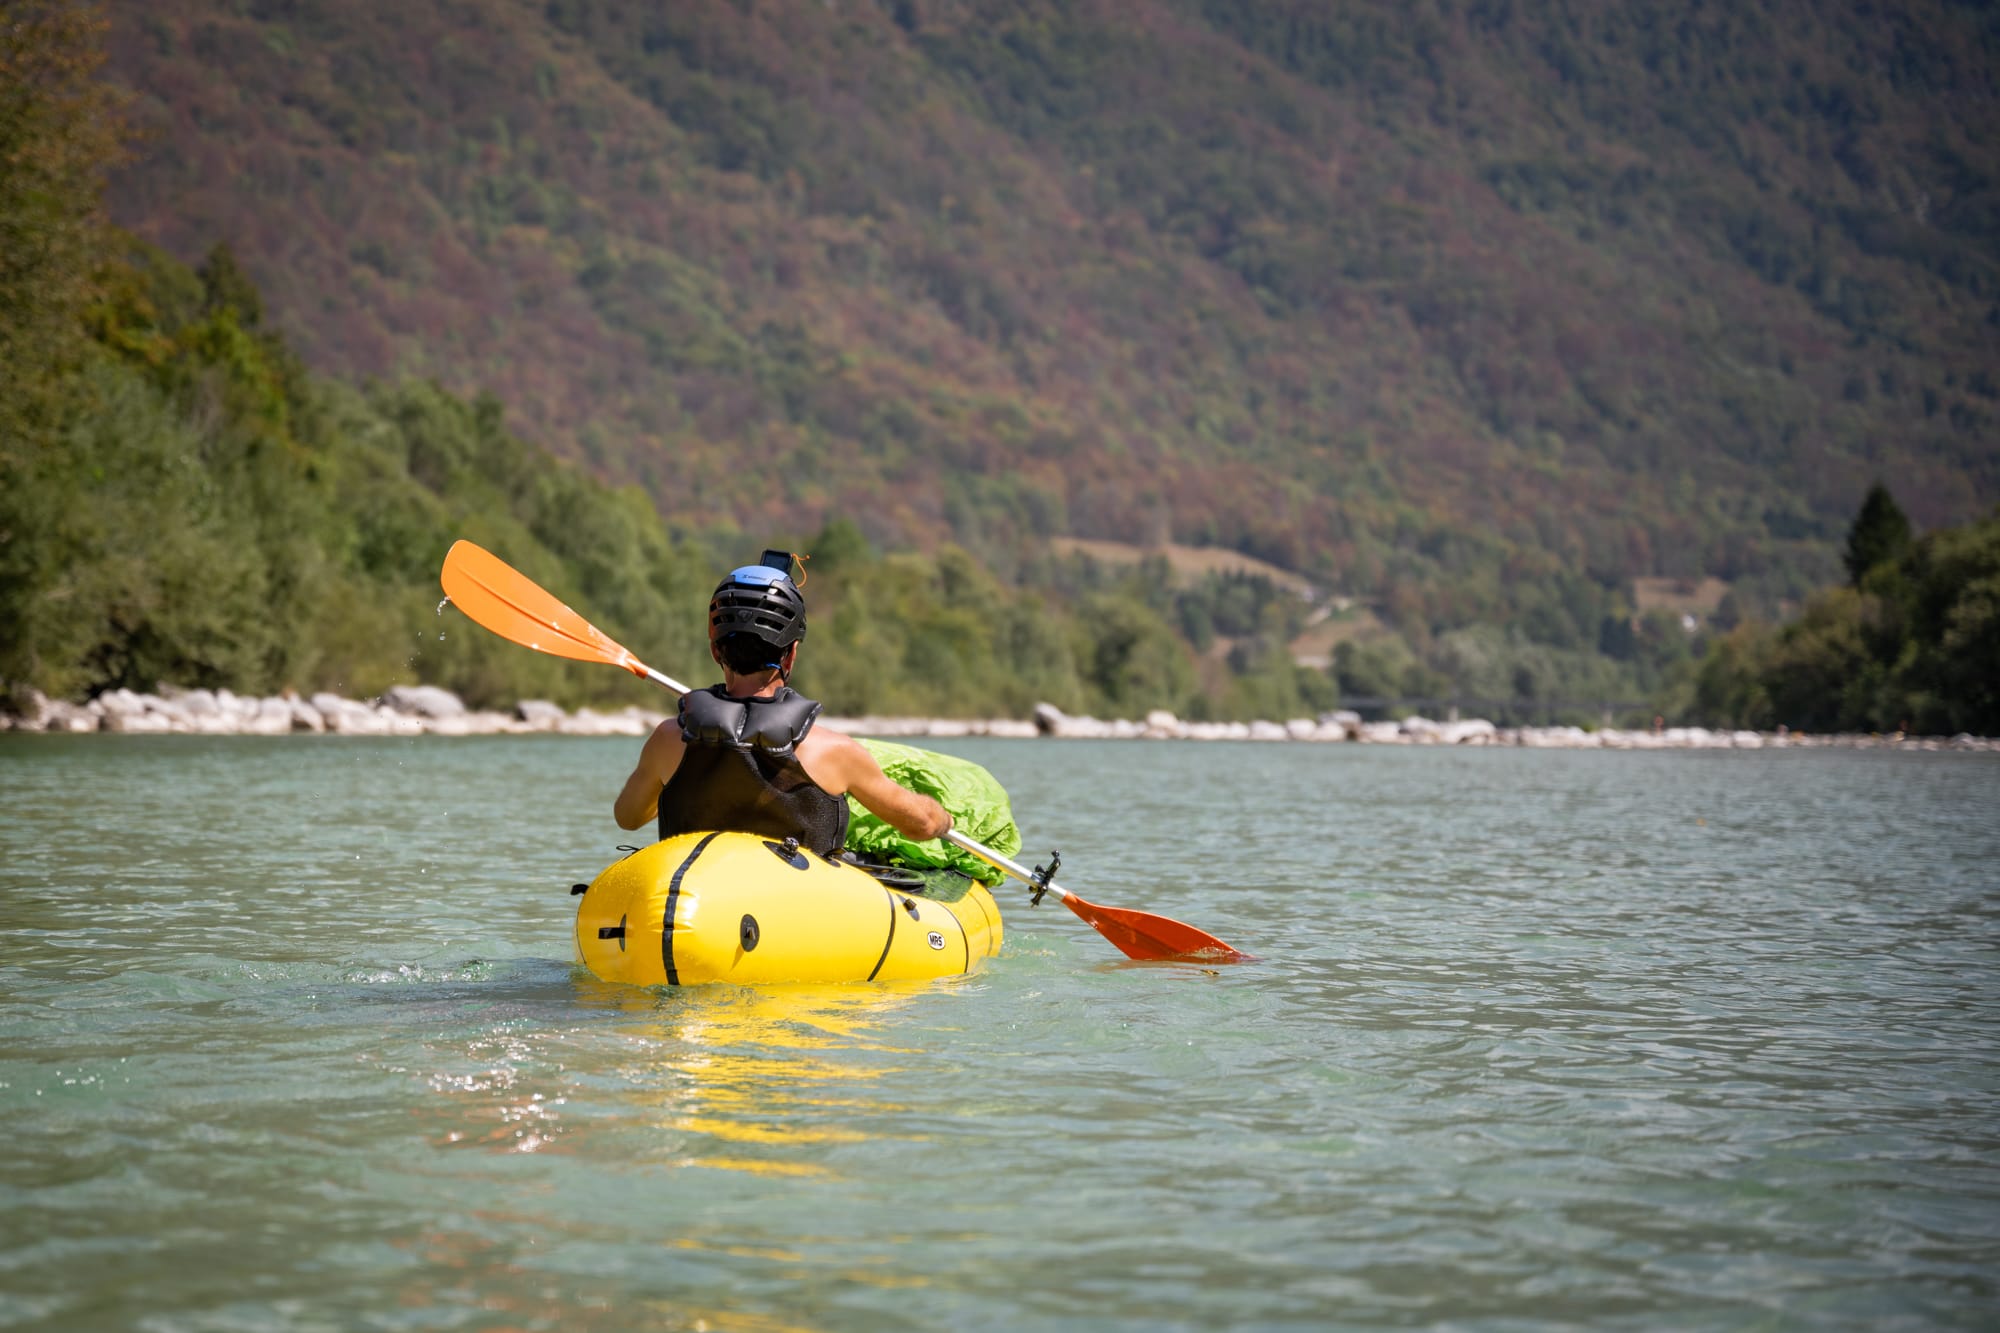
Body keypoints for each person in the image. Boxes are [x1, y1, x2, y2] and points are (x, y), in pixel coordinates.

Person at [613, 557, 953, 853]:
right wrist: (943, 818)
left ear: (716, 650)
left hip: (694, 903)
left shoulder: (669, 738)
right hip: (794, 915)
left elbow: (628, 818)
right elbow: (921, 824)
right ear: (790, 653)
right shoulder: (834, 751)